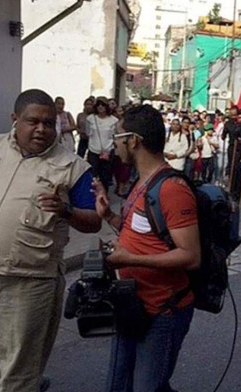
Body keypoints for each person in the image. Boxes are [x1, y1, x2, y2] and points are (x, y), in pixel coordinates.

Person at [0, 89, 101, 392]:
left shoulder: (74, 167)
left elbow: (94, 221)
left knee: (20, 368)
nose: (42, 129)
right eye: (33, 122)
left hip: (29, 282)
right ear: (15, 120)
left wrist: (66, 211)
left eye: (49, 123)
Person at [93, 105, 201, 392]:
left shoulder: (171, 188)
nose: (113, 144)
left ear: (133, 140)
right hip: (132, 304)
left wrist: (130, 257)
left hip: (163, 311)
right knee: (118, 385)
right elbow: (144, 234)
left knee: (147, 387)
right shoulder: (141, 182)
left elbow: (190, 256)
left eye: (117, 136)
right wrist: (109, 217)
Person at [86, 96, 118, 190]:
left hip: (108, 151)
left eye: (103, 105)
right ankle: (93, 194)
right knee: (93, 174)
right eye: (98, 105)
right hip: (93, 150)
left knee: (105, 176)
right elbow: (88, 133)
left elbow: (115, 136)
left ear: (106, 106)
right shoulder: (90, 118)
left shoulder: (113, 120)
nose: (100, 107)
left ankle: (104, 194)